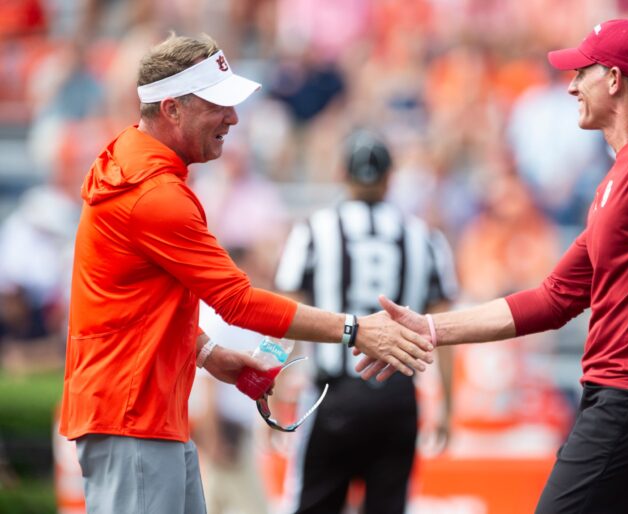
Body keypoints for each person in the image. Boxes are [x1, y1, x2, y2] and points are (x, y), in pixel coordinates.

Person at [356, 19, 628, 514]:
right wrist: (426, 327)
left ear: (615, 80)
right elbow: (553, 298)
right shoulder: (624, 172)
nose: (572, 85)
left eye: (582, 72)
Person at [58, 34, 433, 514]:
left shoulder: (130, 167)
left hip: (139, 413)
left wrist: (208, 352)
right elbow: (238, 302)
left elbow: (129, 303)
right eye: (219, 105)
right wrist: (354, 329)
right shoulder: (156, 196)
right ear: (172, 109)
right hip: (134, 415)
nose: (233, 118)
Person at [274, 129, 458, 514]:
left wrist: (271, 391)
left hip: (331, 395)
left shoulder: (313, 232)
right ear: (391, 177)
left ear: (342, 173)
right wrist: (446, 406)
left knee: (312, 505)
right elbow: (444, 330)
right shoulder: (424, 237)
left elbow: (284, 319)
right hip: (397, 397)